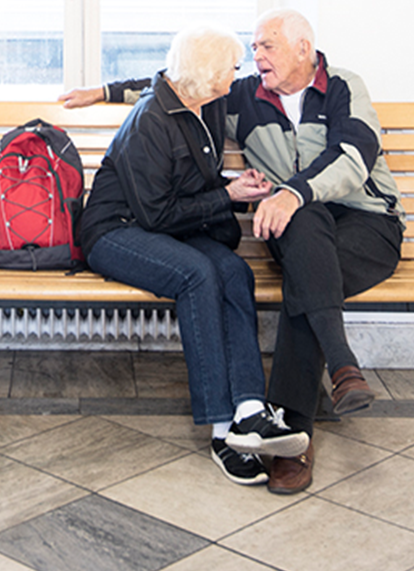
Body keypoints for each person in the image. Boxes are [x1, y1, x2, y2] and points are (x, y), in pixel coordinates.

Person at [62, 9, 404, 496]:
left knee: (280, 276)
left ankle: (271, 417)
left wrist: (286, 192)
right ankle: (253, 423)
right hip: (203, 225)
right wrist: (104, 92)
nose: (254, 59)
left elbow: (354, 156)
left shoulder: (342, 87)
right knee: (269, 256)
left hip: (361, 221)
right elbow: (170, 86)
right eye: (250, 51)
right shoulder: (238, 96)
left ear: (303, 48)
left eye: (266, 46)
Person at [72, 24, 308, 486]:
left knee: (233, 271)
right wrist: (231, 195)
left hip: (173, 224)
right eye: (230, 67)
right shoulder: (150, 123)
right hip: (117, 231)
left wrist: (237, 187)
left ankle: (249, 408)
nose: (237, 74)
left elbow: (151, 81)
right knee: (198, 274)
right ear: (205, 73)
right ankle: (223, 432)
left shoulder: (208, 98)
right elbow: (156, 215)